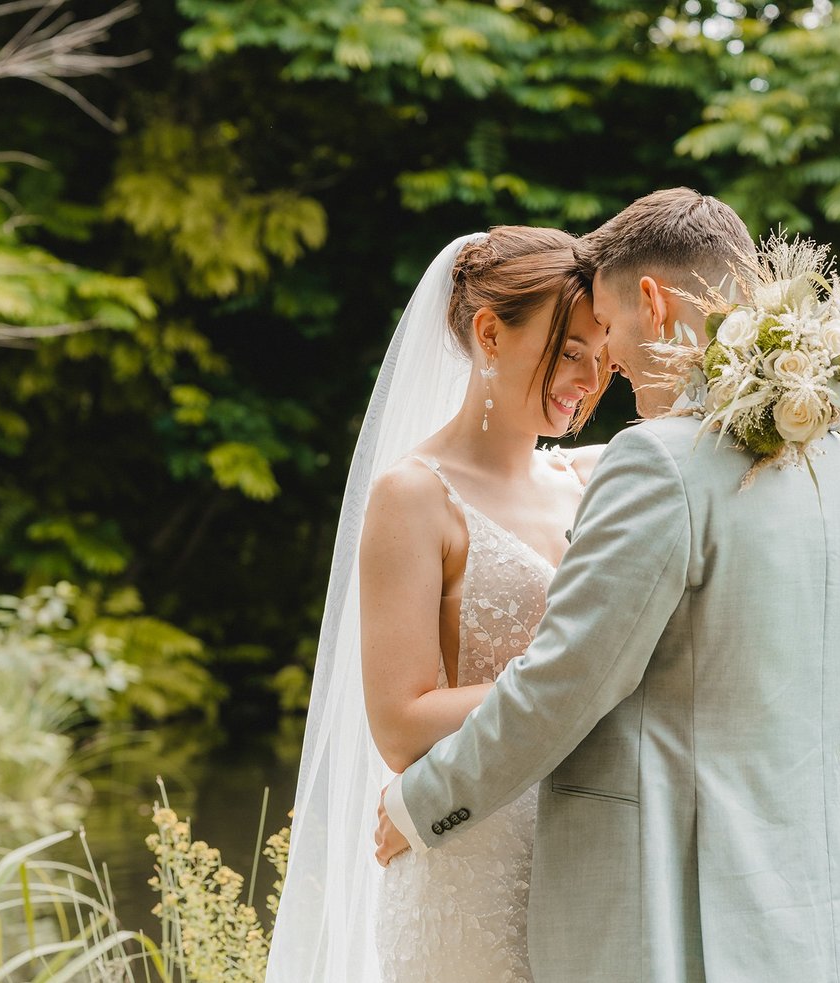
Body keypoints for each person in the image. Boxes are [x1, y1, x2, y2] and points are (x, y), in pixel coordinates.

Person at [374, 188, 840, 982]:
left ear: (650, 301)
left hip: (670, 913)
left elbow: (570, 679)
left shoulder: (659, 461)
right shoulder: (832, 462)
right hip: (805, 915)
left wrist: (422, 802)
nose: (605, 366)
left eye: (605, 329)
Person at [265, 226, 609, 983]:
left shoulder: (595, 478)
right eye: (569, 350)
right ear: (490, 333)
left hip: (589, 856)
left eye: (601, 354)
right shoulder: (415, 496)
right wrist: (578, 680)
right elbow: (399, 724)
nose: (589, 379)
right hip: (470, 866)